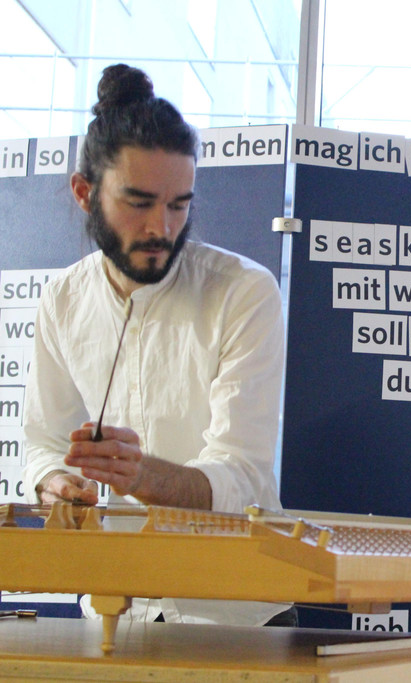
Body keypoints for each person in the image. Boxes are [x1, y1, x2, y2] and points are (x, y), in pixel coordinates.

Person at [22, 63, 294, 627]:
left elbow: (242, 478)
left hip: (236, 616)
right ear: (84, 193)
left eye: (178, 204)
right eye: (139, 202)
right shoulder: (63, 299)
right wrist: (56, 483)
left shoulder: (243, 291)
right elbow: (43, 442)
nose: (162, 228)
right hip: (112, 611)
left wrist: (140, 475)